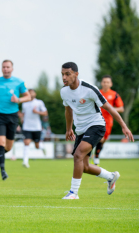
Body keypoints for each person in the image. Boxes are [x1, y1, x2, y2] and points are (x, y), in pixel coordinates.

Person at [60, 62, 133, 199]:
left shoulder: (89, 89)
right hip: (80, 129)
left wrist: (124, 126)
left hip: (96, 125)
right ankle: (111, 177)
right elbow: (68, 110)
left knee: (77, 155)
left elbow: (110, 108)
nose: (64, 77)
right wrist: (69, 129)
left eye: (67, 74)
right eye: (62, 74)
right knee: (85, 166)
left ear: (76, 74)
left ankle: (73, 193)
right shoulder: (64, 91)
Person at [93, 75, 124, 165]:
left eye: (107, 82)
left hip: (108, 121)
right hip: (97, 118)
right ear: (101, 83)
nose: (106, 84)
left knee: (103, 140)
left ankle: (96, 155)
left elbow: (121, 108)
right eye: (104, 82)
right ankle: (96, 157)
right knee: (100, 138)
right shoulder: (97, 93)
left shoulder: (114, 94)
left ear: (111, 84)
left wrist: (110, 109)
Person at [19, 89, 48, 168]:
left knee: (37, 146)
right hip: (26, 127)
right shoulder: (24, 103)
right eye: (29, 92)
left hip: (36, 127)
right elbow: (23, 114)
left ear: (35, 94)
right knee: (26, 143)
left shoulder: (39, 102)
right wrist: (21, 117)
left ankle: (42, 147)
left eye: (32, 92)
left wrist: (37, 112)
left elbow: (45, 113)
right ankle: (25, 162)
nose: (31, 94)